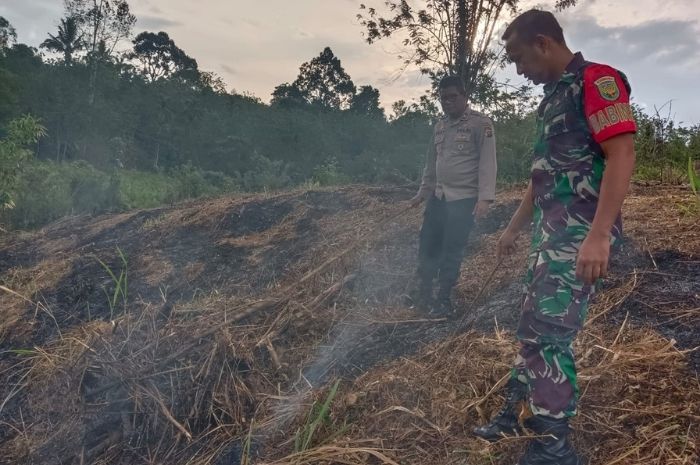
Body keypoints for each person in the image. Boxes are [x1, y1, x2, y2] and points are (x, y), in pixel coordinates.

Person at [472, 9, 637, 465]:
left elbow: (621, 152)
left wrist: (599, 235)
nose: (518, 70)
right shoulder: (552, 99)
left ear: (543, 42)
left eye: (519, 58)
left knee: (549, 335)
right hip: (550, 236)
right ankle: (515, 413)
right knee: (532, 324)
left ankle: (553, 447)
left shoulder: (597, 81)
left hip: (578, 236)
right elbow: (541, 176)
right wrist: (511, 230)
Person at [408, 75, 497, 315]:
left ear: (465, 97)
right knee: (427, 243)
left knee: (452, 248)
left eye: (452, 97)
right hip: (439, 197)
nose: (447, 102)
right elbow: (432, 163)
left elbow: (488, 162)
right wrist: (423, 192)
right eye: (443, 98)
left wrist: (484, 198)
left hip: (464, 199)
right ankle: (423, 294)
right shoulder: (440, 126)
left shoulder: (481, 124)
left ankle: (443, 299)